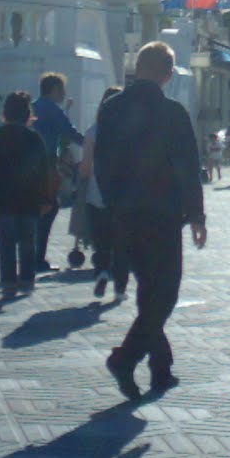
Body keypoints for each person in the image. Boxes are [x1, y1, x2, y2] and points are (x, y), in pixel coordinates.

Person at [95, 41, 207, 400]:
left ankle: (161, 368)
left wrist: (113, 203)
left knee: (149, 292)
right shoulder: (172, 113)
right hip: (162, 215)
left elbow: (102, 162)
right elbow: (189, 167)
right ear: (168, 74)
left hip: (125, 213)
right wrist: (197, 214)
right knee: (165, 293)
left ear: (136, 67)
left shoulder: (111, 109)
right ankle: (126, 358)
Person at [0, 91, 54, 295]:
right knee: (28, 241)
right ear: (27, 113)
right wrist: (46, 198)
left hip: (0, 199)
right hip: (28, 198)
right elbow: (44, 171)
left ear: (5, 113)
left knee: (6, 243)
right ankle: (27, 281)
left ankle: (9, 282)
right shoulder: (34, 138)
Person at [30, 72, 84, 273]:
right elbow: (69, 132)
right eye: (61, 89)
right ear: (54, 89)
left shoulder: (33, 106)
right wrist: (92, 143)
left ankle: (32, 254)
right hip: (46, 165)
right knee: (50, 207)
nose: (63, 93)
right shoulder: (52, 109)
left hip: (29, 165)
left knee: (36, 208)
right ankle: (38, 257)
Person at [77, 86, 128, 299]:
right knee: (122, 243)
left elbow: (86, 167)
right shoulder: (129, 132)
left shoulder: (93, 131)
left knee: (101, 241)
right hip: (124, 197)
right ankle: (120, 288)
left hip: (96, 195)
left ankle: (101, 272)